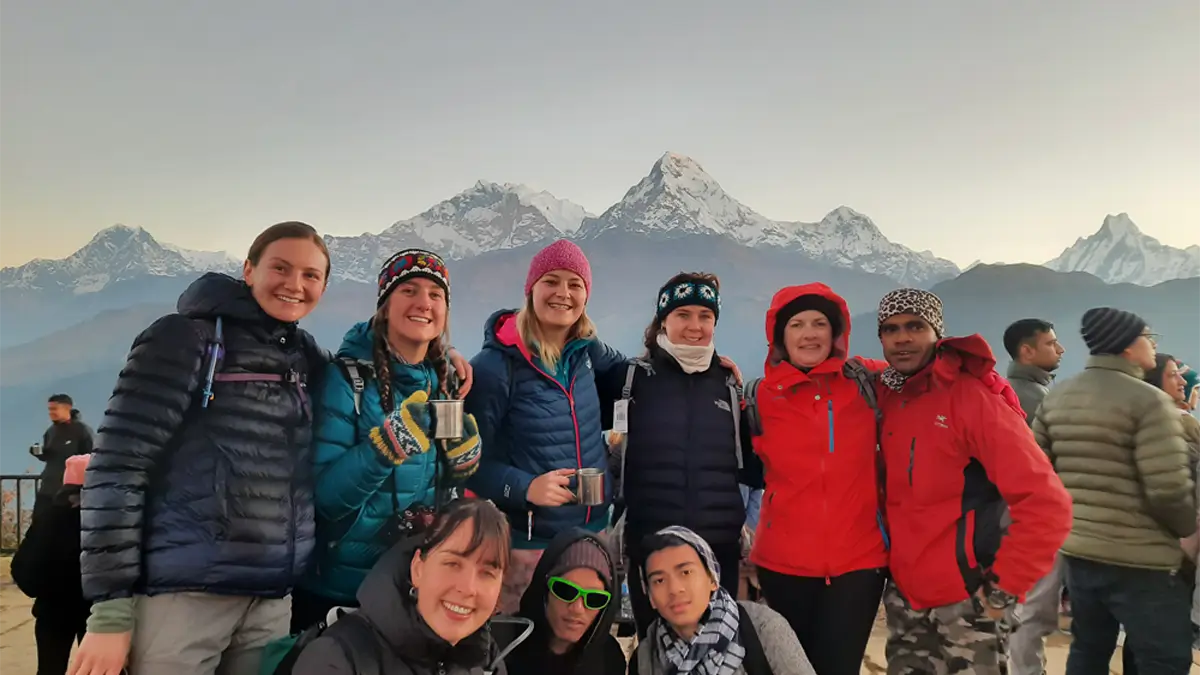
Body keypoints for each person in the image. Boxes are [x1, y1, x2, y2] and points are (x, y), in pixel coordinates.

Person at [70, 222, 333, 675]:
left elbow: (365, 374)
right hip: (184, 597)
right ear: (249, 270)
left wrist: (440, 357)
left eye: (311, 275)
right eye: (281, 268)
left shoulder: (303, 355)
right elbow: (117, 468)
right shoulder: (185, 337)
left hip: (269, 598)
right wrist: (110, 614)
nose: (295, 285)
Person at [874, 288, 1071, 675]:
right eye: (890, 329)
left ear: (937, 333)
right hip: (906, 600)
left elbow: (1047, 502)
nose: (902, 338)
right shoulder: (892, 396)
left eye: (916, 326)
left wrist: (1002, 590)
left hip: (966, 601)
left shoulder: (973, 399)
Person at [294, 248, 482, 630]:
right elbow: (324, 499)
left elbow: (439, 491)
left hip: (415, 587)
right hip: (342, 594)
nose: (423, 303)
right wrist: (387, 447)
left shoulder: (444, 380)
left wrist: (465, 465)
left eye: (435, 295)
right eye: (408, 290)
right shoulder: (346, 381)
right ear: (384, 305)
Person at [465, 239, 627, 613]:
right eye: (550, 281)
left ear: (586, 295)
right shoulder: (495, 367)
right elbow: (468, 465)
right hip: (529, 543)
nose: (563, 293)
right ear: (531, 290)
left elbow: (635, 373)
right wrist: (526, 487)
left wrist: (713, 364)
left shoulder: (588, 350)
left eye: (575, 284)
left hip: (593, 531)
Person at [1033, 308, 1196, 675]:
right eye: (1147, 337)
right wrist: (1185, 533)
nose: (1152, 346)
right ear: (1126, 346)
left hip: (1080, 551)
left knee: (1089, 650)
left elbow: (1037, 475)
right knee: (1165, 658)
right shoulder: (1150, 402)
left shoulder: (1058, 397)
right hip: (1142, 559)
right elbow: (1169, 490)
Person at [740, 283, 888, 675]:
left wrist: (994, 386)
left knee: (839, 667)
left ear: (835, 332)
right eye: (798, 324)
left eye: (820, 323)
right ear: (780, 336)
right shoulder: (757, 398)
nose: (809, 334)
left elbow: (928, 375)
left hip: (859, 563)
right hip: (783, 563)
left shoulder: (867, 381)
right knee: (788, 668)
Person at [597, 272, 749, 640]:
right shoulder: (631, 378)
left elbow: (750, 465)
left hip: (719, 552)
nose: (694, 327)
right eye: (683, 315)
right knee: (655, 648)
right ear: (663, 320)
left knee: (720, 653)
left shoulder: (729, 385)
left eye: (705, 316)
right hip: (653, 547)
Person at [292, 498, 511, 675]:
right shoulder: (338, 657)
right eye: (452, 564)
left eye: (487, 573)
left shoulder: (485, 657)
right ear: (418, 568)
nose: (468, 588)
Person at [628, 526, 816, 675]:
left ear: (712, 579)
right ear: (650, 597)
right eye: (659, 580)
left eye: (686, 572)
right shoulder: (647, 657)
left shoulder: (760, 627)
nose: (675, 589)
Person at [1000, 318, 1066, 675]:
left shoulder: (1024, 392)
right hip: (1033, 522)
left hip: (1016, 519)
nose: (1060, 349)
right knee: (1031, 611)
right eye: (1051, 343)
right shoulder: (1031, 400)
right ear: (1026, 351)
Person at [504, 528, 626, 675]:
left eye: (594, 598)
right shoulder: (502, 645)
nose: (577, 608)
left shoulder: (610, 659)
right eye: (565, 591)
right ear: (545, 589)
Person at [13, 454, 93, 675]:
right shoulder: (104, 521)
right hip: (95, 612)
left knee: (49, 669)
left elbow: (22, 567)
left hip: (52, 613)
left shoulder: (47, 519)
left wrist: (42, 591)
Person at [32, 393, 94, 509]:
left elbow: (91, 459)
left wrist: (80, 491)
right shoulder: (50, 431)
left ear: (67, 408)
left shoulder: (82, 431)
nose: (51, 412)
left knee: (63, 526)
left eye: (54, 409)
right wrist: (40, 453)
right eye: (49, 409)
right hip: (47, 488)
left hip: (68, 492)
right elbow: (51, 456)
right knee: (40, 524)